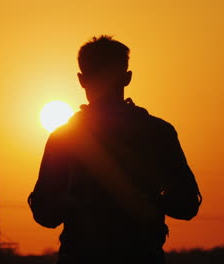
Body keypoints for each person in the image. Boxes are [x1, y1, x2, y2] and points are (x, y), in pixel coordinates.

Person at [28, 35, 202, 264]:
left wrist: (79, 204)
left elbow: (45, 213)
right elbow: (186, 205)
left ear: (81, 80)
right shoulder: (158, 132)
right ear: (127, 78)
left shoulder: (63, 138)